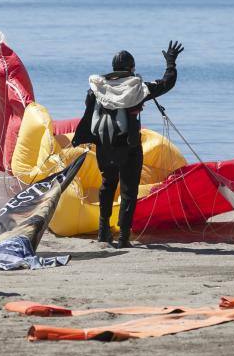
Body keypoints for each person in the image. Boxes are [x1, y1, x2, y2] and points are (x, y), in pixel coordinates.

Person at [72, 41, 184, 248]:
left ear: (113, 68)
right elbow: (167, 83)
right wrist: (171, 62)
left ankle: (103, 232)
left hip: (105, 146)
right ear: (131, 68)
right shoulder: (138, 88)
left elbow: (88, 114)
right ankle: (123, 237)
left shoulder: (96, 89)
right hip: (130, 147)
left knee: (107, 185)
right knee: (129, 191)